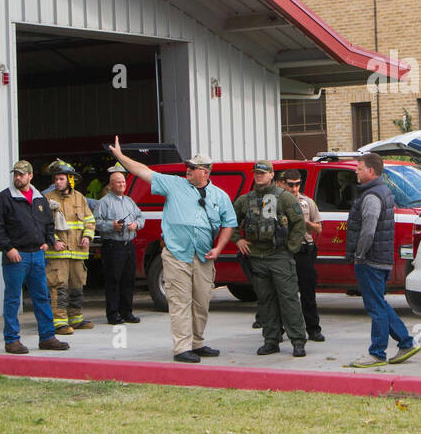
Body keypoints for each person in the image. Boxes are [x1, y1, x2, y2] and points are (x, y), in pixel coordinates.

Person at [110, 137, 234, 363]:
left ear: (205, 173)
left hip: (204, 256)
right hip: (177, 254)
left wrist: (218, 248)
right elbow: (142, 171)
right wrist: (120, 157)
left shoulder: (220, 196)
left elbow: (229, 223)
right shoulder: (174, 184)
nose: (187, 170)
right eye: (187, 167)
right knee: (179, 301)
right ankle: (182, 348)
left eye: (192, 168)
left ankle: (197, 342)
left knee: (201, 301)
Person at [0, 161, 70, 355]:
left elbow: (49, 222)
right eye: (15, 174)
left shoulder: (40, 198)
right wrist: (8, 249)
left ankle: (47, 337)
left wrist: (47, 241)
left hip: (38, 255)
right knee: (13, 299)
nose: (18, 177)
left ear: (30, 176)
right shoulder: (4, 199)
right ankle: (12, 340)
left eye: (22, 174)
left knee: (42, 297)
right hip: (16, 257)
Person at [344, 153, 419, 368]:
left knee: (375, 308)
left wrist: (359, 255)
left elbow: (368, 230)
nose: (356, 172)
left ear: (371, 171)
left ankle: (377, 353)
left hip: (371, 261)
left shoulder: (371, 196)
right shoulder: (383, 191)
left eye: (359, 168)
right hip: (381, 259)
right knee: (380, 304)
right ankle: (406, 342)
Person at [234, 163, 308, 357]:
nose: (259, 176)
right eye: (256, 173)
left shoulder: (284, 198)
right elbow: (229, 222)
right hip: (257, 257)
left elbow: (299, 225)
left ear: (271, 175)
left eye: (263, 173)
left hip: (279, 256)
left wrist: (290, 249)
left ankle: (298, 340)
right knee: (265, 301)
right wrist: (238, 239)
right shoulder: (244, 200)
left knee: (288, 298)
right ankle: (271, 340)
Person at [42, 160, 97, 335]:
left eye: (60, 179)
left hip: (78, 253)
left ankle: (76, 318)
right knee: (59, 287)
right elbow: (43, 225)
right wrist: (54, 241)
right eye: (56, 179)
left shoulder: (80, 198)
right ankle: (59, 322)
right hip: (58, 253)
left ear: (70, 180)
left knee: (77, 286)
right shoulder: (48, 199)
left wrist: (87, 237)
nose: (57, 182)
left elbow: (90, 221)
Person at [92, 164, 145, 324]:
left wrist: (136, 225)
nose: (122, 185)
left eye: (123, 182)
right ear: (111, 184)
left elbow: (140, 217)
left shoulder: (129, 201)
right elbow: (95, 222)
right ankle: (113, 314)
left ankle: (127, 312)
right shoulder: (104, 202)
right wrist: (111, 226)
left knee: (128, 280)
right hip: (113, 245)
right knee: (113, 280)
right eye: (118, 182)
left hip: (128, 245)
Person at [284, 169, 325, 343]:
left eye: (297, 184)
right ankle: (278, 330)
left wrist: (305, 222)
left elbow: (319, 228)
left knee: (308, 292)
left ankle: (313, 329)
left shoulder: (307, 203)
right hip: (284, 251)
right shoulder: (278, 202)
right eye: (291, 184)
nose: (294, 188)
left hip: (303, 250)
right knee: (284, 292)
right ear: (284, 183)